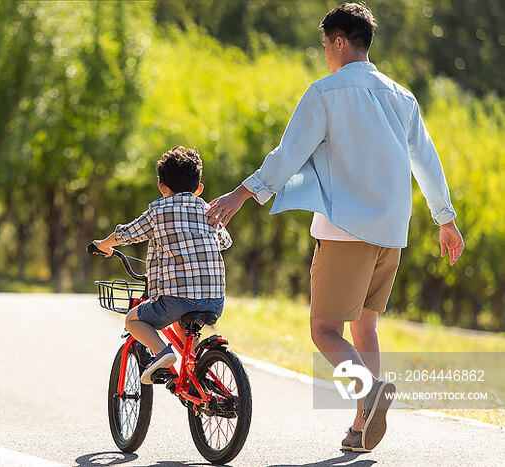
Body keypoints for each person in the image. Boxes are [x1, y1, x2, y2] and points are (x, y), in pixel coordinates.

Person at [206, 2, 464, 453]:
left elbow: (287, 155)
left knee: (324, 331)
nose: (326, 52)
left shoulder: (324, 93)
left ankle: (369, 393)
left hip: (345, 229)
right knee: (366, 327)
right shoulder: (401, 96)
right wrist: (446, 219)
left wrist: (240, 194)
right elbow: (427, 160)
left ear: (340, 42)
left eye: (326, 44)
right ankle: (361, 431)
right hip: (391, 232)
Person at [92, 146, 233, 384]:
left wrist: (104, 245)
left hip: (176, 300)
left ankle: (162, 352)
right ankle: (198, 373)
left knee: (133, 319)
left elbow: (127, 234)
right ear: (199, 189)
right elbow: (225, 242)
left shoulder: (159, 211)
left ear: (162, 187)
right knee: (186, 326)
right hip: (215, 300)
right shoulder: (209, 210)